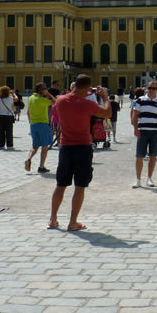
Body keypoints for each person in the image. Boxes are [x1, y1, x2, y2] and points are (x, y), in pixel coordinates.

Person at [47, 75, 112, 232]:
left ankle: (53, 219)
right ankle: (72, 222)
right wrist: (104, 97)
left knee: (60, 184)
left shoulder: (60, 100)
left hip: (65, 147)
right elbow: (107, 113)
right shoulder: (87, 103)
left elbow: (70, 97)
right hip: (83, 147)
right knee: (80, 186)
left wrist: (82, 92)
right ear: (87, 88)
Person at [131, 81, 157, 187]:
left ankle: (149, 178)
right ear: (147, 88)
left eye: (154, 88)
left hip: (155, 132)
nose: (151, 90)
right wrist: (135, 128)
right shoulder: (140, 100)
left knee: (153, 155)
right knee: (139, 156)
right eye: (149, 88)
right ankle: (138, 179)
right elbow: (135, 114)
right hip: (142, 131)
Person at [25, 83, 55, 172]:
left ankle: (29, 158)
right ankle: (41, 166)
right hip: (43, 124)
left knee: (35, 146)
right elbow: (55, 102)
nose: (46, 90)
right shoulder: (41, 100)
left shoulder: (30, 98)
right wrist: (49, 94)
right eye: (45, 89)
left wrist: (31, 122)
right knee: (44, 147)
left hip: (34, 125)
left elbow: (28, 112)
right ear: (41, 90)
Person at [0, 85, 16, 150]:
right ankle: (10, 145)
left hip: (0, 115)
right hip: (9, 116)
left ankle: (1, 145)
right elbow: (16, 99)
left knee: (0, 131)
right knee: (9, 131)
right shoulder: (11, 98)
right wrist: (13, 94)